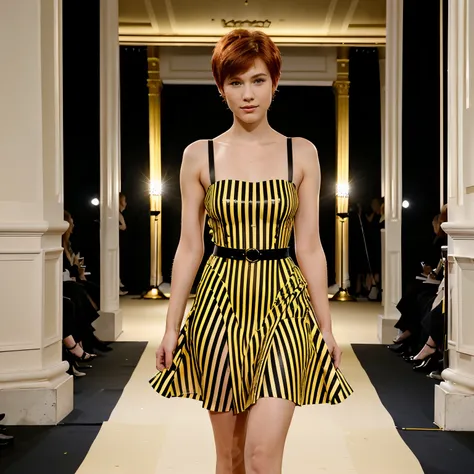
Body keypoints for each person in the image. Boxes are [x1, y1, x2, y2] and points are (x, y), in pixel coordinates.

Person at [149, 29, 353, 474]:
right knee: (232, 457)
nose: (248, 94)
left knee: (263, 458)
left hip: (285, 303)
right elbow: (189, 247)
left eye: (258, 81)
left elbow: (311, 247)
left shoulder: (301, 154)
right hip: (219, 306)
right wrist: (171, 327)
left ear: (275, 83)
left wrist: (326, 326)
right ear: (221, 88)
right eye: (236, 82)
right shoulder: (199, 156)